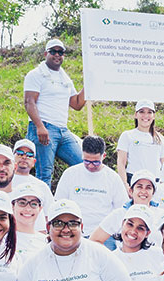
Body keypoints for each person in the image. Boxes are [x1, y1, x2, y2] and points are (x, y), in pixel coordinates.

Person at [23, 38, 86, 186]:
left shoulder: (64, 78)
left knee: (83, 164)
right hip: (44, 127)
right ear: (46, 53)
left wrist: (88, 86)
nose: (57, 55)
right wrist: (39, 127)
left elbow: (76, 104)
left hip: (63, 131)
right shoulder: (36, 74)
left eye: (60, 52)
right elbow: (29, 102)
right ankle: (39, 206)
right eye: (53, 52)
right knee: (45, 173)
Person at [54, 135, 125, 234]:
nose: (91, 166)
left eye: (96, 162)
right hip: (73, 230)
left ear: (103, 156)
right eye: (86, 161)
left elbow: (121, 209)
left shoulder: (113, 178)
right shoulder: (70, 174)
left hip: (104, 232)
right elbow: (59, 203)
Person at [90, 170, 160, 246]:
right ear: (131, 191)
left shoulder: (160, 215)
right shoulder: (119, 214)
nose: (143, 191)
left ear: (153, 192)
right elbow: (94, 240)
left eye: (148, 188)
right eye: (139, 187)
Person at [116, 101, 164, 186]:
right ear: (136, 115)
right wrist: (125, 184)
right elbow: (121, 162)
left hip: (155, 183)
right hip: (133, 181)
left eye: (149, 112)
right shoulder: (127, 135)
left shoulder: (160, 139)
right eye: (142, 112)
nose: (145, 116)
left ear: (154, 116)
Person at [10, 139, 55, 212]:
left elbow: (50, 214)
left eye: (29, 155)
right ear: (12, 157)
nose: (24, 157)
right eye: (20, 153)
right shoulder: (1, 182)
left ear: (34, 162)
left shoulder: (42, 186)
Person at [11, 183, 49, 261]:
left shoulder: (46, 242)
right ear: (13, 206)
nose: (28, 209)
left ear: (40, 209)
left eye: (33, 204)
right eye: (22, 203)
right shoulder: (2, 238)